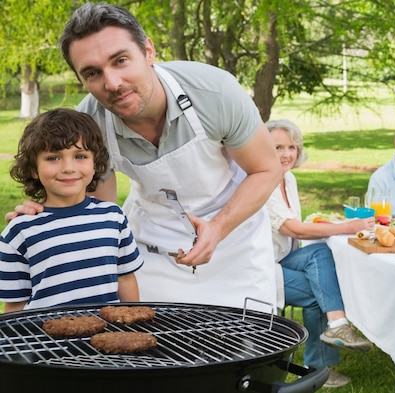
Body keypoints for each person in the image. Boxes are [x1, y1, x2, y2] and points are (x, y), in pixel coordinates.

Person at [6, 3, 282, 310]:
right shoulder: (87, 125)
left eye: (121, 60)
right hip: (151, 245)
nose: (112, 83)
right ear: (82, 80)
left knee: (245, 349)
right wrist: (46, 214)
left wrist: (217, 228)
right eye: (93, 73)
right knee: (154, 347)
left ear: (148, 51)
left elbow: (266, 169)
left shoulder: (215, 92)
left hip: (235, 238)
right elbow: (95, 210)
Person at [265, 119, 374, 388]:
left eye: (292, 146)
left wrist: (328, 227)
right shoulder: (264, 180)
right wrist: (346, 227)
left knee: (322, 254)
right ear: (263, 148)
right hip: (262, 266)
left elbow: (296, 230)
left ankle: (333, 335)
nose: (287, 153)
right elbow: (294, 229)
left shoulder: (287, 178)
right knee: (318, 290)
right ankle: (322, 362)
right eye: (278, 147)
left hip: (286, 256)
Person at [0, 108, 143, 312]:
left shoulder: (114, 217)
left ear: (95, 164)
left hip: (107, 336)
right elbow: (14, 304)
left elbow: (126, 278)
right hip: (47, 341)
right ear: (33, 168)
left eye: (80, 156)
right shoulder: (20, 231)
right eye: (53, 158)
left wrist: (134, 327)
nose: (68, 167)